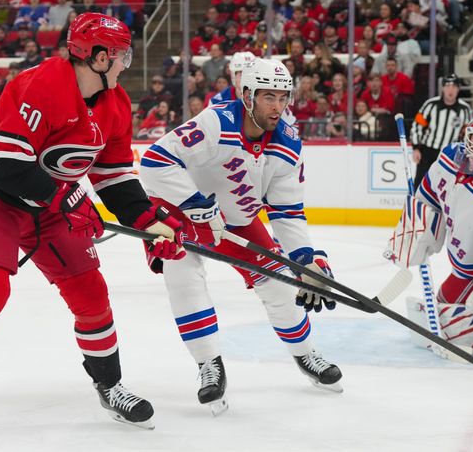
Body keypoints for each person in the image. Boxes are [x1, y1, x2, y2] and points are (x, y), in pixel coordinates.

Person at [0, 14, 186, 450]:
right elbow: (9, 170)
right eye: (120, 56)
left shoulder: (115, 105)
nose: (126, 64)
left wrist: (151, 223)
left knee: (91, 293)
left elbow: (114, 179)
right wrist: (68, 198)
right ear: (98, 57)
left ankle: (109, 386)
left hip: (49, 204)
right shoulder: (42, 85)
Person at [139, 57, 342, 415]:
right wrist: (194, 204)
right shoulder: (216, 121)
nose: (277, 106)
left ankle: (305, 353)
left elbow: (287, 212)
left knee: (279, 284)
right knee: (184, 278)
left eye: (283, 97)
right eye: (268, 97)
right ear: (247, 95)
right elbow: (155, 161)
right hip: (181, 213)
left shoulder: (289, 144)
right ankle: (208, 365)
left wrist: (307, 260)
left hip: (237, 218)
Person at [385, 112, 473, 361]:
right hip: (460, 266)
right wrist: (419, 231)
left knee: (452, 321)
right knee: (438, 311)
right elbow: (429, 198)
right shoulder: (448, 158)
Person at [410, 74, 473, 189]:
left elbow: (468, 134)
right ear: (442, 88)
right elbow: (417, 125)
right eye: (448, 86)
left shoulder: (465, 109)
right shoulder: (430, 105)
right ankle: (416, 206)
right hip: (428, 152)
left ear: (458, 89)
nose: (451, 90)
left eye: (454, 86)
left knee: (446, 187)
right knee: (420, 184)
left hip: (450, 155)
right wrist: (416, 148)